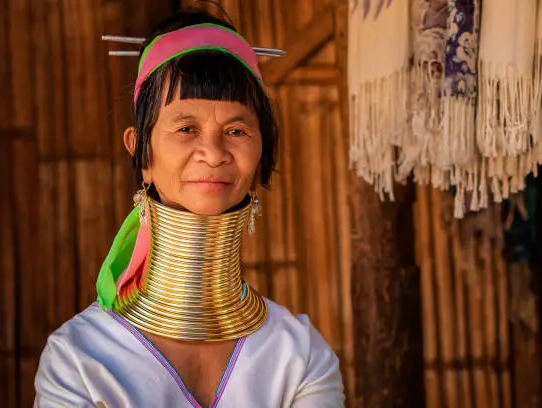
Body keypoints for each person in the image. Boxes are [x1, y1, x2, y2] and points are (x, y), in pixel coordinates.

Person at [34, 8, 345, 408]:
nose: (213, 153)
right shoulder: (80, 359)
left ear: (261, 153)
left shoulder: (298, 356)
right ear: (140, 151)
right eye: (186, 129)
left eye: (236, 131)